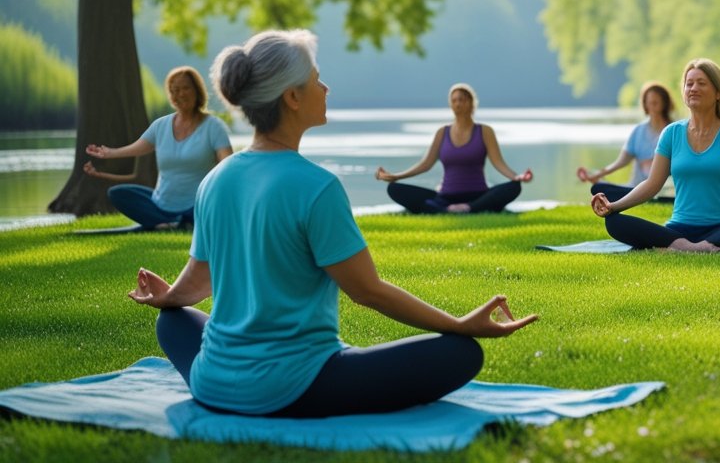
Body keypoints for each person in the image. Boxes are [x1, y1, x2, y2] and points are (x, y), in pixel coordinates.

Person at [128, 30, 536, 418]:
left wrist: (170, 298)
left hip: (212, 383)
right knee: (463, 352)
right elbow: (368, 292)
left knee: (173, 319)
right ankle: (293, 389)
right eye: (317, 80)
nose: (325, 89)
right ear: (291, 96)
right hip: (294, 389)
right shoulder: (317, 186)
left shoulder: (214, 180)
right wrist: (459, 324)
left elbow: (199, 281)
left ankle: (227, 374)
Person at [590, 58, 720, 252]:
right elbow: (652, 184)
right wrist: (614, 206)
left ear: (718, 93)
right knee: (614, 222)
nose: (693, 88)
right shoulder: (671, 134)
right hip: (679, 229)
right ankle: (694, 246)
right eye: (689, 83)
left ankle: (690, 247)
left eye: (701, 83)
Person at [83, 66, 233, 229]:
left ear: (197, 91)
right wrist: (108, 153)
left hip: (196, 205)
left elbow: (228, 165)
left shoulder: (214, 126)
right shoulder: (161, 125)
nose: (180, 94)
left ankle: (174, 222)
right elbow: (137, 148)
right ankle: (175, 222)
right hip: (160, 205)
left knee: (209, 204)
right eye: (174, 90)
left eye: (185, 88)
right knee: (118, 193)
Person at [375, 83, 533, 214]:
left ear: (471, 103)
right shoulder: (442, 132)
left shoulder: (484, 131)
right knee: (394, 189)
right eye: (454, 100)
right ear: (451, 104)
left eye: (462, 100)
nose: (458, 103)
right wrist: (396, 176)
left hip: (478, 196)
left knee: (513, 187)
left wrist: (517, 177)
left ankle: (467, 208)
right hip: (445, 197)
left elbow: (499, 163)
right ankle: (446, 209)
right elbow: (425, 164)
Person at [577, 81, 675, 204]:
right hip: (635, 188)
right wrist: (598, 174)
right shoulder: (638, 131)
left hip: (665, 190)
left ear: (664, 104)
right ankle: (599, 180)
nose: (652, 107)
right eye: (649, 103)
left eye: (655, 103)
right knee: (598, 188)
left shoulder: (674, 131)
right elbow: (620, 162)